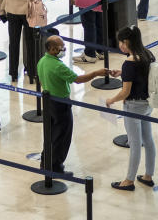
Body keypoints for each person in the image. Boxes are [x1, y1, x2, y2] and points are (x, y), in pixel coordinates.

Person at [37, 35, 110, 173]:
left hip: (47, 102)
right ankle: (55, 166)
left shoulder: (42, 61)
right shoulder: (58, 66)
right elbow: (77, 79)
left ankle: (45, 161)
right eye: (61, 48)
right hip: (60, 103)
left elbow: (41, 80)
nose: (64, 49)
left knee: (50, 133)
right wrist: (96, 73)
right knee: (62, 136)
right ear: (52, 49)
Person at [105, 26, 157, 191]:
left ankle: (129, 180)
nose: (120, 45)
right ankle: (148, 175)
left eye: (121, 41)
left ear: (127, 42)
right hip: (147, 104)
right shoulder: (148, 54)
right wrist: (123, 73)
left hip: (133, 106)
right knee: (148, 140)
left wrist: (111, 100)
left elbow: (125, 92)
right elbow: (143, 75)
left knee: (135, 143)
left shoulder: (129, 63)